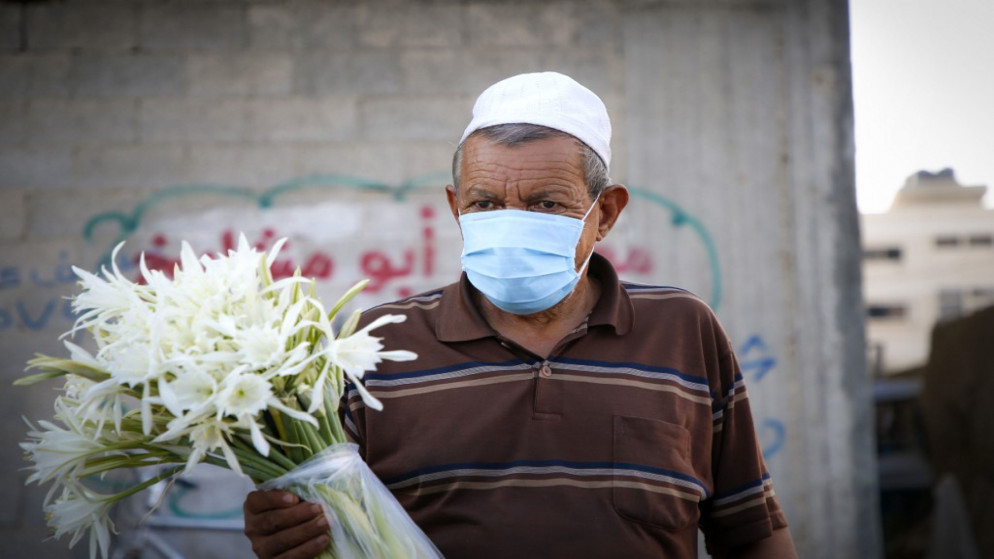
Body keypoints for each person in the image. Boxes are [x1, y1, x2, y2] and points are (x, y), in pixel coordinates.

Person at [243, 71, 797, 558]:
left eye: (546, 204)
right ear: (456, 208)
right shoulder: (378, 343)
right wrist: (289, 529)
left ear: (604, 213)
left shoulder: (682, 329)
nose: (511, 223)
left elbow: (750, 530)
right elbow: (333, 522)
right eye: (485, 203)